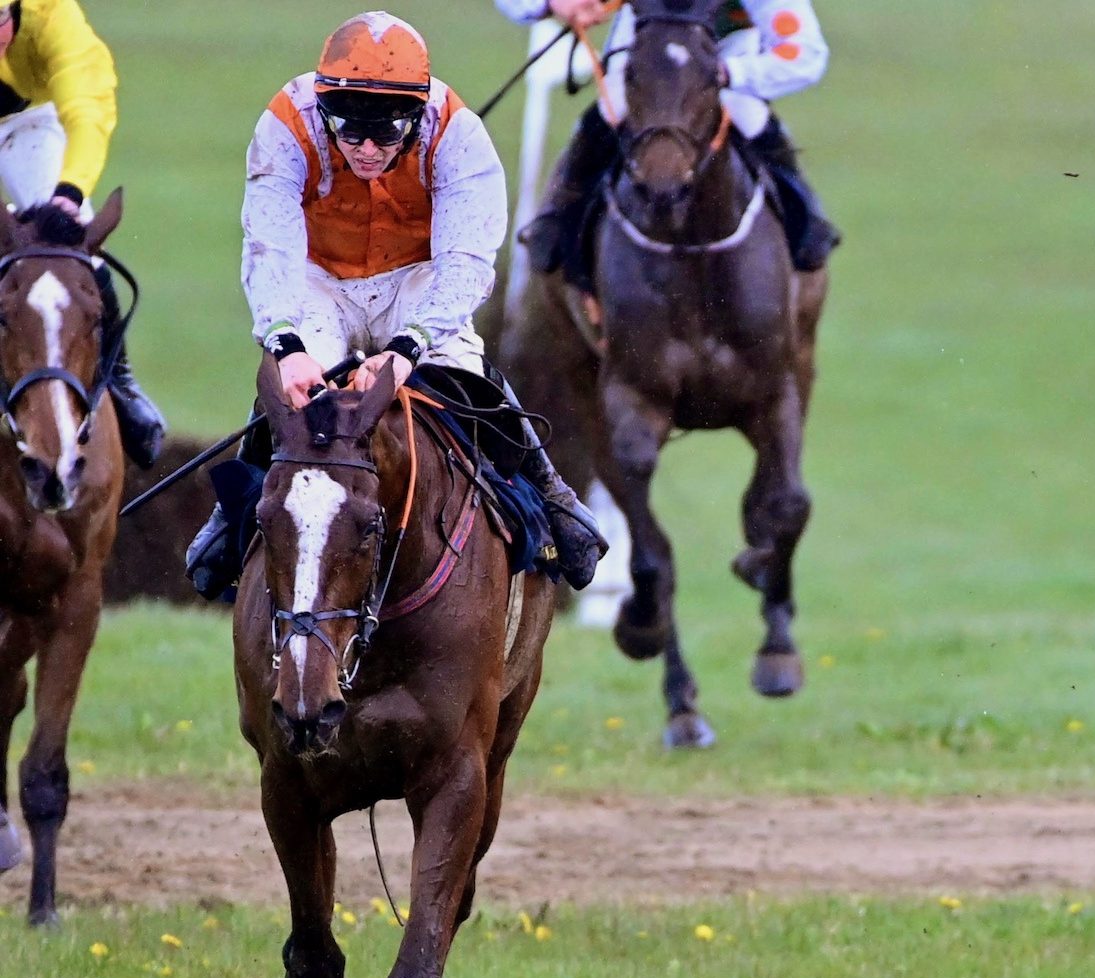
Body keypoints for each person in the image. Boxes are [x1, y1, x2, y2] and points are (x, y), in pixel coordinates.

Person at [185, 11, 606, 599]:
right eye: (347, 131)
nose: (364, 149)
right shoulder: (287, 122)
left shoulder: (458, 135)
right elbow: (269, 245)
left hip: (419, 279)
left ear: (417, 114)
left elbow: (466, 264)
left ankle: (553, 493)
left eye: (385, 135)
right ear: (323, 108)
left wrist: (407, 351)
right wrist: (285, 345)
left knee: (462, 370)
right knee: (291, 393)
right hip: (318, 279)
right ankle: (231, 517)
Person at [497, 0, 839, 275]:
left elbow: (806, 54)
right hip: (645, 53)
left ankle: (803, 211)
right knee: (611, 106)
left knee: (747, 111)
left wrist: (728, 73)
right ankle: (560, 215)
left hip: (725, 55)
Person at [0, 0, 164, 464]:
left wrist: (68, 193)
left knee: (71, 245)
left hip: (27, 121)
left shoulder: (52, 17)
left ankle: (120, 382)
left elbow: (86, 109)